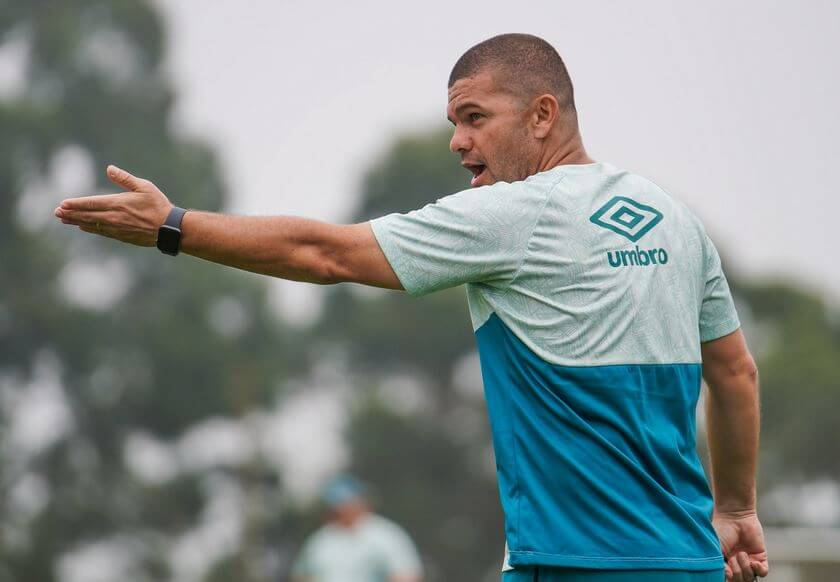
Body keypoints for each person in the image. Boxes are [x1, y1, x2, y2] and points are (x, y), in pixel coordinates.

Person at [54, 33, 768, 582]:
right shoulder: (673, 219)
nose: (458, 140)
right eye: (454, 120)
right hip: (688, 561)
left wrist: (173, 225)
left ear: (543, 115)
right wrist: (735, 510)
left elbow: (324, 254)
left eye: (475, 117)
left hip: (575, 564)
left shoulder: (515, 214)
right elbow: (735, 375)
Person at [290, 475, 423, 582]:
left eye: (347, 502)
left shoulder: (387, 536)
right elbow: (302, 575)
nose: (342, 509)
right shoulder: (320, 540)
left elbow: (406, 575)